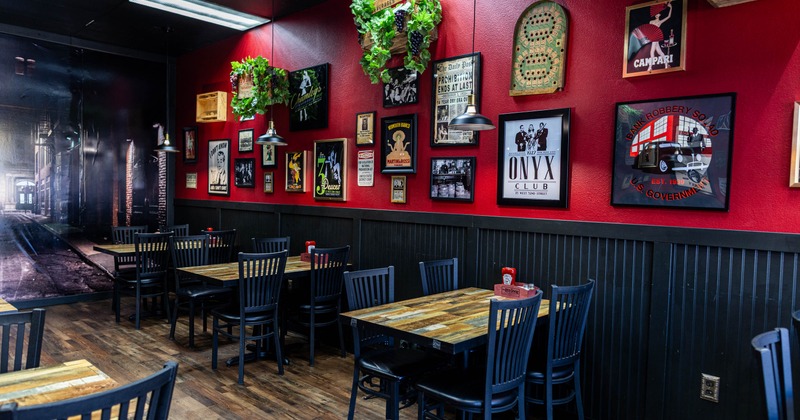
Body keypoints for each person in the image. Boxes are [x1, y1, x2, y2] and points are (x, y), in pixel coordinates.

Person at [628, 1, 673, 72]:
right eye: (656, 14)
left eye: (658, 14)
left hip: (656, 37)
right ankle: (666, 64)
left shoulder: (659, 22)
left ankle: (650, 67)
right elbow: (648, 30)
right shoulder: (651, 22)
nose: (657, 15)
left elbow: (669, 16)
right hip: (653, 38)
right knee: (660, 52)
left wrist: (671, 8)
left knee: (652, 52)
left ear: (660, 15)